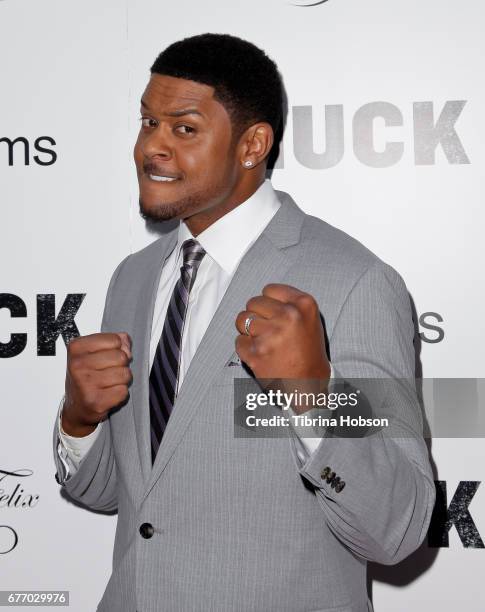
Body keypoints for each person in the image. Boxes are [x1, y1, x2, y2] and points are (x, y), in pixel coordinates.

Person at [53, 33, 435, 612]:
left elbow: (397, 528)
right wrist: (80, 423)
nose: (150, 147)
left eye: (183, 128)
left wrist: (313, 397)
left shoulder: (354, 281)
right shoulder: (133, 278)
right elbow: (131, 499)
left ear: (252, 144)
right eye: (147, 122)